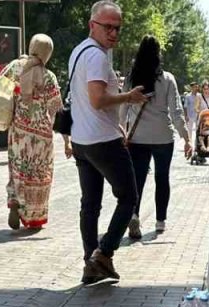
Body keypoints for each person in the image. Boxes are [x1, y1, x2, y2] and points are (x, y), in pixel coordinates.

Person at [69, 0, 149, 284]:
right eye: (108, 27)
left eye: (118, 28)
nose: (114, 33)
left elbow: (86, 103)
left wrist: (117, 123)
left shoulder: (79, 52)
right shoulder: (97, 57)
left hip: (82, 140)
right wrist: (129, 97)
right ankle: (103, 253)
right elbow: (97, 99)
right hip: (102, 142)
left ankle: (91, 263)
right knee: (129, 196)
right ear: (93, 25)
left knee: (90, 204)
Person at [123, 35, 191, 237]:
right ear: (158, 54)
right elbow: (176, 112)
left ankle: (134, 215)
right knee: (162, 178)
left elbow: (123, 109)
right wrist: (187, 138)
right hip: (163, 137)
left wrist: (121, 131)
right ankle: (160, 221)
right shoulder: (168, 79)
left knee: (138, 179)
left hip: (138, 138)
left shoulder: (130, 78)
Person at [0, 34, 64, 231]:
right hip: (42, 135)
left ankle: (15, 202)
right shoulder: (48, 76)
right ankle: (34, 215)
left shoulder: (15, 67)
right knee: (38, 173)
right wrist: (67, 140)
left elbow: (0, 91)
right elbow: (56, 108)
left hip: (18, 131)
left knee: (17, 169)